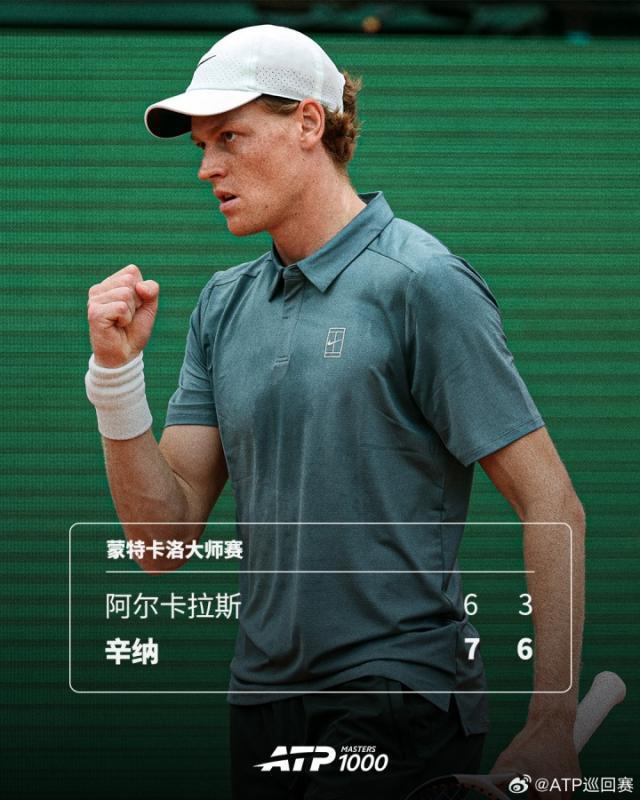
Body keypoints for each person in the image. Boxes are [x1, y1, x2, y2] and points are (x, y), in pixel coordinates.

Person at [85, 25, 585, 800]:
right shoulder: (222, 304)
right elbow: (161, 543)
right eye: (202, 147)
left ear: (309, 124)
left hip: (397, 696)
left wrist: (552, 717)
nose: (207, 167)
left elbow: (551, 500)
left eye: (229, 137)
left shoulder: (424, 283)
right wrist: (116, 378)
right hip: (262, 704)